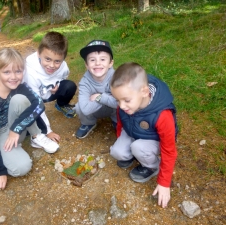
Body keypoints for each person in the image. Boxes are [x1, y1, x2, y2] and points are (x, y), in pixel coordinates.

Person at [0, 48, 59, 190]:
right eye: (6, 72)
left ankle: (36, 136)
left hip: (17, 127)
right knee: (22, 167)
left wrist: (16, 129)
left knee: (20, 100)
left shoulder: (21, 86)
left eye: (18, 71)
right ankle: (11, 152)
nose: (13, 77)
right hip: (0, 134)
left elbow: (38, 104)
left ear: (23, 71)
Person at [110, 62, 178, 208]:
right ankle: (134, 154)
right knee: (117, 151)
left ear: (144, 92)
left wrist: (164, 183)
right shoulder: (126, 102)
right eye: (117, 100)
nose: (121, 106)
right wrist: (120, 141)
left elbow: (169, 151)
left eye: (126, 100)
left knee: (138, 147)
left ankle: (152, 166)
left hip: (153, 140)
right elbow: (121, 123)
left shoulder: (162, 115)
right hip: (133, 131)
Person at [24, 31, 77, 144]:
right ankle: (36, 128)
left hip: (50, 92)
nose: (52, 65)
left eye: (57, 61)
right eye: (47, 59)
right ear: (39, 53)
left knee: (70, 85)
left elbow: (63, 77)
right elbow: (36, 103)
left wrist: (57, 84)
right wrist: (47, 130)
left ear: (63, 59)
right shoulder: (30, 73)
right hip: (33, 97)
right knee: (32, 107)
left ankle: (61, 104)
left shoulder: (64, 67)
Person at [75, 40, 117, 139]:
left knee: (124, 104)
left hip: (114, 110)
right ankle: (88, 123)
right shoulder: (84, 82)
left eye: (103, 59)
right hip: (95, 111)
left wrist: (99, 97)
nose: (97, 63)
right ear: (86, 65)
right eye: (92, 60)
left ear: (110, 63)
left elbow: (120, 103)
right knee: (79, 107)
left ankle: (117, 120)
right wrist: (109, 97)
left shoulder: (117, 77)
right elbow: (85, 108)